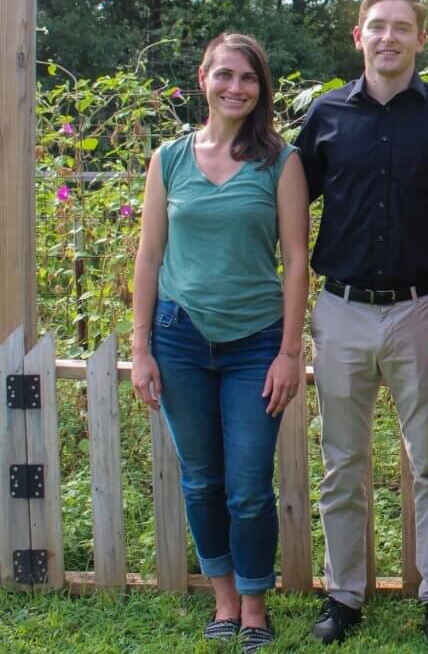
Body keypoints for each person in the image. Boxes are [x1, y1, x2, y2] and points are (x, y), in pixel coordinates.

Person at [294, 0, 428, 647]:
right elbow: (289, 201)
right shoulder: (325, 115)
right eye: (378, 27)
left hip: (424, 307)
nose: (389, 38)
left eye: (403, 28)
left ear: (421, 40)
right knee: (343, 461)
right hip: (341, 309)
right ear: (359, 35)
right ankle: (343, 591)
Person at [131, 33, 309, 653]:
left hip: (255, 344)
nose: (236, 87)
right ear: (204, 77)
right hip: (178, 340)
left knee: (249, 485)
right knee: (202, 481)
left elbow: (294, 260)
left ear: (261, 90)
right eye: (225, 74)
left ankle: (255, 606)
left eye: (250, 78)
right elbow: (150, 256)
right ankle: (224, 601)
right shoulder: (169, 160)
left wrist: (290, 351)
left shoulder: (280, 162)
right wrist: (141, 347)